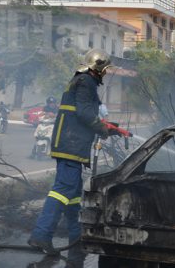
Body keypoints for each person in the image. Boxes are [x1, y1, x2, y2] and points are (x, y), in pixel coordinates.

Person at [29, 49, 114, 266]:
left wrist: (105, 126)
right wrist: (102, 128)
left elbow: (83, 112)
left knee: (74, 193)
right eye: (104, 70)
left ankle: (76, 236)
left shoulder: (81, 80)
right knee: (62, 190)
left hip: (71, 143)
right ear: (99, 69)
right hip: (71, 144)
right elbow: (85, 113)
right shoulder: (86, 82)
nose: (105, 74)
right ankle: (41, 233)